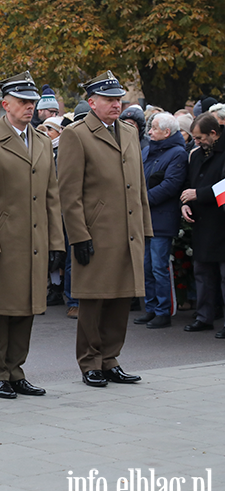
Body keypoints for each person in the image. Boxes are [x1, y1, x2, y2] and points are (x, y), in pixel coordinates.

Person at [0, 71, 65, 399]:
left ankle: (16, 370)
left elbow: (51, 194)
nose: (29, 107)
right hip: (3, 240)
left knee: (28, 306)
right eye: (22, 101)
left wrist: (55, 242)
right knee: (0, 310)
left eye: (32, 102)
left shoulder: (40, 140)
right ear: (5, 104)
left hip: (34, 241)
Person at [58, 71, 151, 388]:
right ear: (91, 102)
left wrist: (145, 229)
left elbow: (138, 187)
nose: (117, 104)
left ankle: (111, 359)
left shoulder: (128, 132)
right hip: (96, 232)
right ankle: (90, 362)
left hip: (127, 231)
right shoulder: (77, 134)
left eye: (119, 98)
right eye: (110, 99)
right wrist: (79, 235)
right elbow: (69, 193)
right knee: (94, 300)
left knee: (121, 298)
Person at [133, 112, 187, 328]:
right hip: (145, 217)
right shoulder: (147, 150)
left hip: (162, 219)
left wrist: (142, 201)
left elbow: (171, 185)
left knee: (159, 266)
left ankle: (164, 310)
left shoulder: (177, 154)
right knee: (146, 266)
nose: (149, 132)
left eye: (154, 128)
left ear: (166, 132)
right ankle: (152, 307)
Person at [180, 113, 225, 337]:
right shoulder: (195, 155)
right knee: (202, 272)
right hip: (201, 221)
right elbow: (188, 183)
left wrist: (199, 194)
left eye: (200, 138)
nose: (195, 142)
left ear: (214, 134)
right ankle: (204, 316)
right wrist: (185, 204)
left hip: (220, 221)